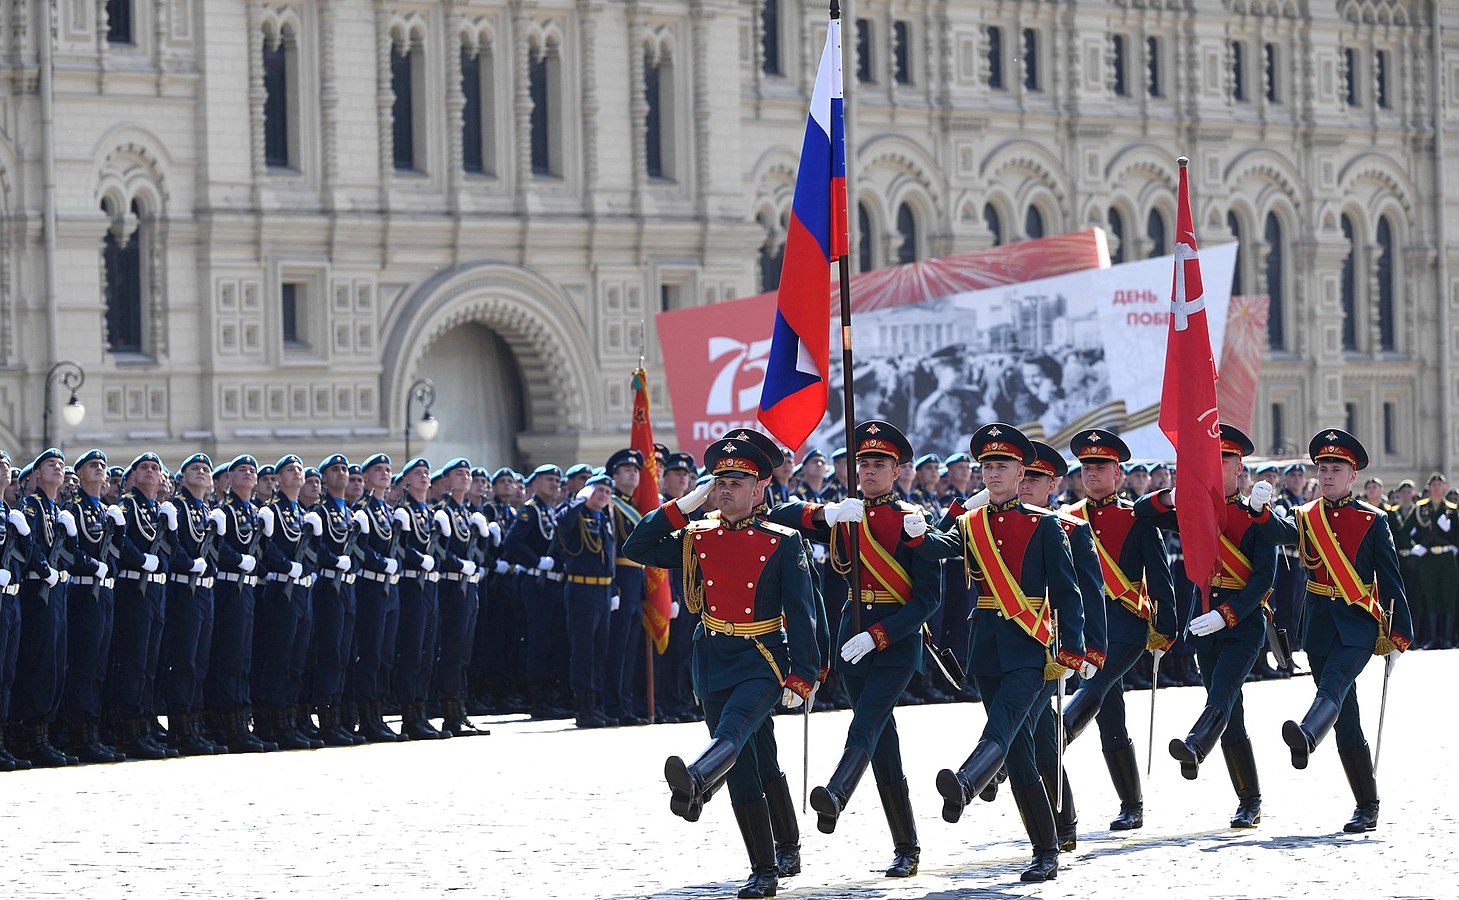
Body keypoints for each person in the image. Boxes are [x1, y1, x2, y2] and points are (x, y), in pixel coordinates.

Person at [623, 437, 819, 900]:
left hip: (762, 659)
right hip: (712, 660)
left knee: (731, 737)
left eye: (737, 482)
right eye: (720, 482)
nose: (726, 490)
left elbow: (805, 613)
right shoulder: (697, 537)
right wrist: (680, 506)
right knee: (753, 761)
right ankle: (782, 848)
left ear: (759, 488)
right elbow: (638, 544)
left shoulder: (782, 541)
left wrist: (806, 673)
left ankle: (702, 788)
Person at [768, 420, 941, 880]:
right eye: (863, 462)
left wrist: (880, 635)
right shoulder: (846, 514)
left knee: (864, 725)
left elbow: (929, 599)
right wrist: (822, 515)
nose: (868, 470)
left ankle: (837, 794)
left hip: (895, 643)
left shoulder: (911, 520)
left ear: (898, 469)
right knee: (884, 747)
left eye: (879, 463)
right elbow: (778, 517)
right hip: (852, 640)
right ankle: (907, 847)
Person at [918, 423, 1088, 883]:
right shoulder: (971, 523)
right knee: (1019, 753)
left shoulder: (1046, 526)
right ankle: (1047, 845)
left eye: (1002, 466)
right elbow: (935, 547)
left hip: (1032, 648)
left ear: (1020, 471)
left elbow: (1069, 595)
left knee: (1004, 728)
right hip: (988, 648)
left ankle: (969, 782)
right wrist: (921, 524)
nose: (993, 473)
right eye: (987, 466)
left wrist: (1074, 650)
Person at [1266, 429, 1413, 833]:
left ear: (1352, 476)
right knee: (1346, 716)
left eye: (1337, 469)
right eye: (1323, 468)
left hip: (1358, 624)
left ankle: (1308, 735)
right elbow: (1273, 533)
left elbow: (1391, 578)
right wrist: (1257, 509)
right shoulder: (1304, 517)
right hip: (1319, 626)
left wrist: (1400, 634)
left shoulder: (1373, 520)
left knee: (1332, 686)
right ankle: (1367, 805)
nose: (1328, 475)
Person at [1135, 425, 1279, 828]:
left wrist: (1227, 614)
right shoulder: (1195, 510)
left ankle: (1197, 745)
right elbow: (1142, 512)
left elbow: (1264, 578)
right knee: (1233, 713)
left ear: (1240, 468)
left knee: (1222, 693)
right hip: (1202, 623)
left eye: (1225, 460)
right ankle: (1250, 799)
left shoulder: (1257, 516)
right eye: (1211, 460)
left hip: (1243, 624)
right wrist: (1175, 496)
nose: (1217, 466)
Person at [1057, 429, 1176, 833]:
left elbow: (1160, 577)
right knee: (1110, 714)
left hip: (1125, 626)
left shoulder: (1136, 518)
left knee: (1093, 684)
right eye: (1086, 466)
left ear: (1118, 473)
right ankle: (1132, 803)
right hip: (1085, 627)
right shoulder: (1066, 519)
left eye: (1100, 466)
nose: (1091, 473)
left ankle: (1057, 736)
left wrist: (1166, 628)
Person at [1023, 440, 1106, 852]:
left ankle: (1056, 823)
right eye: (1023, 474)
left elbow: (1090, 593)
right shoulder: (995, 523)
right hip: (1014, 646)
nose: (1025, 483)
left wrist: (1091, 650)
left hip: (1052, 648)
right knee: (1040, 737)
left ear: (1052, 484)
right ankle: (1063, 820)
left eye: (1034, 477)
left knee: (1032, 729)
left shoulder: (1070, 529)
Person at [9, 448, 78, 767]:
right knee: (40, 663)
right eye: (50, 464)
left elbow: (66, 552)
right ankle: (30, 735)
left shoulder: (58, 509)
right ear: (35, 474)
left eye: (61, 465)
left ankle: (44, 733)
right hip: (38, 592)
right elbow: (32, 546)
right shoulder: (31, 507)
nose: (57, 468)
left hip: (57, 591)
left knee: (56, 661)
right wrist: (42, 564)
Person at [56, 449, 124, 764]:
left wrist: (120, 529)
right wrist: (91, 566)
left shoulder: (108, 511)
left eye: (102, 466)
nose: (99, 470)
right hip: (85, 593)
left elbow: (119, 554)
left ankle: (92, 733)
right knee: (83, 666)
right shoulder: (75, 509)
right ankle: (79, 735)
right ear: (80, 475)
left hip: (105, 594)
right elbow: (68, 553)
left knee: (99, 666)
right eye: (92, 466)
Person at [205, 455, 274, 753]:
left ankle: (240, 721)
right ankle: (229, 724)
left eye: (251, 470)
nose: (248, 474)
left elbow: (263, 554)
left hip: (248, 590)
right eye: (241, 470)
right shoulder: (224, 512)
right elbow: (213, 550)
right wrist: (238, 559)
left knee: (244, 658)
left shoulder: (258, 513)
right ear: (229, 479)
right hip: (229, 588)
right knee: (230, 658)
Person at [253, 454, 321, 751]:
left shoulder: (304, 514)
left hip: (302, 592)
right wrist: (285, 566)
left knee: (297, 660)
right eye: (289, 470)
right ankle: (274, 722)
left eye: (299, 469)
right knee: (279, 659)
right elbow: (264, 550)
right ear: (277, 480)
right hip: (281, 591)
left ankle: (291, 720)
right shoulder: (271, 511)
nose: (296, 473)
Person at [157, 453, 224, 756]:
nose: (200, 472)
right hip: (184, 591)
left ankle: (194, 725)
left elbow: (215, 555)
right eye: (194, 469)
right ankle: (181, 728)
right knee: (184, 660)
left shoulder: (208, 511)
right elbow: (169, 548)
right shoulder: (177, 508)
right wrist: (187, 563)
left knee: (201, 661)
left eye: (205, 470)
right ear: (182, 479)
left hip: (205, 593)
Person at [501, 465, 569, 720]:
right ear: (537, 482)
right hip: (535, 583)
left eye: (557, 480)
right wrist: (536, 561)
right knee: (538, 642)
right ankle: (538, 700)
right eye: (549, 479)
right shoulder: (531, 510)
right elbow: (512, 542)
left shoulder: (549, 512)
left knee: (552, 641)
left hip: (551, 584)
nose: (554, 484)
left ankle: (550, 696)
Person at [307, 454, 362, 747]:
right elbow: (313, 550)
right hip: (329, 586)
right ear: (324, 478)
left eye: (344, 469)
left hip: (348, 589)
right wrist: (333, 560)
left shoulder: (351, 513)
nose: (341, 474)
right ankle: (327, 719)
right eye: (335, 470)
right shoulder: (320, 513)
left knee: (344, 653)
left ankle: (339, 716)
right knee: (330, 654)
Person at [553, 473, 616, 728]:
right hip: (581, 588)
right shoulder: (575, 513)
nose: (603, 495)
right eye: (598, 490)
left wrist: (615, 587)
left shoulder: (605, 519)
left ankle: (595, 704)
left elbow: (610, 555)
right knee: (583, 651)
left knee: (600, 651)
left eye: (606, 492)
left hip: (603, 591)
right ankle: (583, 708)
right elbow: (561, 525)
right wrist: (579, 502)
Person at [350, 454, 404, 742]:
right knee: (370, 654)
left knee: (384, 654)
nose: (384, 474)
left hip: (389, 588)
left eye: (387, 469)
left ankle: (379, 713)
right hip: (370, 588)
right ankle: (367, 716)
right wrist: (381, 563)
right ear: (366, 477)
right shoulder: (361, 510)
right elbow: (358, 549)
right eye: (377, 470)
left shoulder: (388, 510)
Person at [391, 456, 445, 740]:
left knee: (428, 651)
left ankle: (421, 711)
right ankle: (408, 716)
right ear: (406, 481)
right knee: (412, 651)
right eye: (418, 473)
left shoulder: (432, 513)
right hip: (412, 586)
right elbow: (399, 548)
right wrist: (419, 559)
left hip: (431, 587)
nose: (424, 477)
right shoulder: (403, 512)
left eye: (427, 472)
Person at [432, 458, 485, 735]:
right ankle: (450, 714)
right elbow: (438, 550)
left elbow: (476, 553)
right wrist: (458, 564)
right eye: (458, 474)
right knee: (452, 652)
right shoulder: (442, 512)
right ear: (447, 481)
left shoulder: (467, 513)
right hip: (452, 586)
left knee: (464, 653)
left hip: (470, 587)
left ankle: (461, 711)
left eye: (467, 473)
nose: (465, 477)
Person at [604, 449, 649, 726]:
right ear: (614, 476)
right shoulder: (612, 505)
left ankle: (626, 704)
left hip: (636, 581)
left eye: (636, 470)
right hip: (620, 577)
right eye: (626, 469)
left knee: (630, 648)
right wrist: (614, 585)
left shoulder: (633, 506)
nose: (633, 473)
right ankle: (613, 705)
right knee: (617, 648)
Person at [1405, 473, 1457, 649]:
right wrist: (1415, 546)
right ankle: (1433, 638)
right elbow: (1405, 530)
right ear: (1429, 488)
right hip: (1427, 558)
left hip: (1447, 557)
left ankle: (1447, 638)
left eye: (1439, 484)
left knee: (1448, 596)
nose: (1436, 487)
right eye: (1433, 484)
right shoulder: (1420, 508)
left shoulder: (1451, 509)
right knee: (1430, 595)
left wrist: (1451, 534)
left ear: (1444, 487)